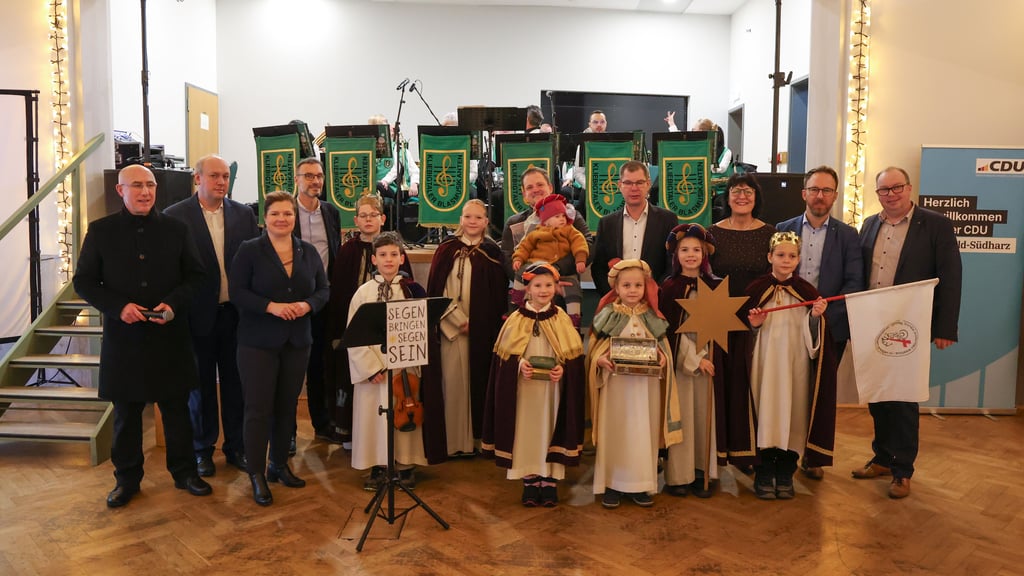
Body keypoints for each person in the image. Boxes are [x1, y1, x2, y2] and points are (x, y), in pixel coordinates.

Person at [74, 164, 212, 508]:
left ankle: (184, 473)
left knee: (177, 411)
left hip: (170, 336)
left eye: (150, 185)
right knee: (126, 416)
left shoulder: (176, 230)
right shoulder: (101, 231)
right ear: (120, 190)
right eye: (136, 185)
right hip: (125, 339)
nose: (145, 191)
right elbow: (85, 281)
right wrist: (118, 307)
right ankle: (127, 480)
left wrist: (174, 304)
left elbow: (196, 276)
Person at [852, 166, 962, 499]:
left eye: (896, 187)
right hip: (872, 323)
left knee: (902, 396)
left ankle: (903, 470)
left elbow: (951, 277)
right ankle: (883, 458)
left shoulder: (936, 225)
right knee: (878, 394)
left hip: (909, 325)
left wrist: (946, 327)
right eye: (883, 190)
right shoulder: (869, 224)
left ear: (909, 188)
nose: (891, 194)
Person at [229, 191, 329, 506]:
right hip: (257, 342)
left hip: (297, 340)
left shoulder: (308, 251)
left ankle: (279, 465)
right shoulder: (249, 250)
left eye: (287, 214)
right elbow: (237, 292)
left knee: (287, 406)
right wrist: (270, 306)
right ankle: (256, 473)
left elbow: (324, 289)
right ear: (265, 218)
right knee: (258, 409)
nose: (282, 219)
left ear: (294, 218)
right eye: (275, 214)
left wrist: (307, 305)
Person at [165, 154, 259, 478]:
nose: (221, 182)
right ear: (197, 179)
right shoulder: (175, 217)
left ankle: (236, 447)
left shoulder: (244, 215)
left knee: (236, 384)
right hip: (196, 317)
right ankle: (202, 450)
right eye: (214, 176)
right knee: (200, 386)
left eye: (225, 177)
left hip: (235, 315)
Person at [775, 165, 864, 480]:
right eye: (814, 189)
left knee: (818, 392)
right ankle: (782, 450)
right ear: (804, 193)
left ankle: (812, 457)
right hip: (786, 326)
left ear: (835, 196)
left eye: (826, 190)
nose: (820, 196)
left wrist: (822, 316)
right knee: (787, 388)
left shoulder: (848, 235)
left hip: (830, 327)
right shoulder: (783, 228)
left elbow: (854, 282)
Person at [482, 262, 586, 507]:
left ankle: (549, 480)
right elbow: (503, 359)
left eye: (548, 285)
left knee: (550, 428)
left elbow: (572, 356)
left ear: (556, 288)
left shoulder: (561, 318)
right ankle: (529, 480)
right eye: (537, 285)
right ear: (527, 289)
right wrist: (518, 366)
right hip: (525, 390)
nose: (543, 290)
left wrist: (563, 368)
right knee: (527, 431)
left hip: (552, 390)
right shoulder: (515, 319)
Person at [745, 232, 837, 500]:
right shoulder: (755, 290)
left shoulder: (807, 292)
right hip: (764, 364)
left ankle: (786, 471)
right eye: (781, 255)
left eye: (792, 256)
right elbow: (742, 333)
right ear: (769, 257)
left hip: (795, 365)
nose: (786, 261)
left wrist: (816, 318)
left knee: (793, 413)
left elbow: (815, 337)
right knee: (765, 412)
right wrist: (754, 325)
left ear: (798, 260)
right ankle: (763, 472)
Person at [587, 259, 681, 509]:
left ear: (646, 287)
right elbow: (594, 350)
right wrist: (601, 360)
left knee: (642, 431)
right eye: (626, 285)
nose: (632, 290)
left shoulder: (652, 317)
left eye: (638, 285)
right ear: (616, 288)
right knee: (615, 431)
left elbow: (664, 350)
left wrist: (662, 358)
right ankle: (612, 484)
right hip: (615, 388)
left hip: (644, 389)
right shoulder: (607, 315)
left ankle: (640, 484)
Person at [326, 194, 413, 450]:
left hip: (392, 337)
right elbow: (340, 291)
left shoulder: (395, 251)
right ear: (356, 220)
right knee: (358, 383)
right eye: (363, 215)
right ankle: (357, 437)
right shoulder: (348, 250)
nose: (368, 219)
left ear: (382, 218)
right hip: (356, 328)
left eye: (373, 215)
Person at [423, 200, 507, 460]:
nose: (472, 221)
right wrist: (457, 321)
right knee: (452, 383)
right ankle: (451, 441)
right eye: (467, 216)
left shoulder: (492, 253)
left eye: (478, 217)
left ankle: (476, 441)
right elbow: (436, 290)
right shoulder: (446, 249)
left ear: (485, 222)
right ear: (461, 219)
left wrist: (480, 324)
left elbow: (497, 297)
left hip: (481, 333)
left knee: (478, 382)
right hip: (451, 329)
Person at [348, 233, 428, 491]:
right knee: (374, 417)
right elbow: (354, 334)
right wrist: (370, 369)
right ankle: (379, 465)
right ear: (374, 259)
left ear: (402, 258)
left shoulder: (411, 290)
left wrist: (409, 360)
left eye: (394, 254)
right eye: (383, 255)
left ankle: (405, 464)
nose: (389, 259)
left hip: (404, 368)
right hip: (375, 370)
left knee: (404, 408)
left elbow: (419, 329)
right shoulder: (363, 293)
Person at [708, 172, 774, 469]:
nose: (742, 195)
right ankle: (722, 450)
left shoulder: (769, 233)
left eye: (748, 191)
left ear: (757, 197)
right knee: (723, 385)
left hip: (758, 321)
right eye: (736, 190)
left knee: (752, 384)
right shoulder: (713, 233)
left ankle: (751, 451)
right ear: (728, 197)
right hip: (719, 320)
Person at [659, 224, 725, 498]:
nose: (690, 255)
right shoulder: (670, 288)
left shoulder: (715, 286)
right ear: (676, 255)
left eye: (696, 250)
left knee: (704, 416)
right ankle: (679, 475)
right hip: (684, 367)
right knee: (683, 416)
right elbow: (671, 331)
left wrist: (708, 358)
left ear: (704, 254)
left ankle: (703, 472)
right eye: (684, 250)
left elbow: (720, 325)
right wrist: (695, 360)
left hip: (709, 363)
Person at [292, 157, 343, 447]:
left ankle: (322, 424)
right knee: (290, 367)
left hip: (322, 301)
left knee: (320, 364)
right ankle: (287, 433)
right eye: (309, 176)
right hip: (293, 303)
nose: (315, 181)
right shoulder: (286, 212)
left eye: (319, 176)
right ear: (297, 179)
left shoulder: (330, 212)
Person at [500, 167, 592, 319]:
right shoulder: (514, 222)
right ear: (524, 194)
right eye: (529, 187)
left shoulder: (570, 216)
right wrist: (536, 282)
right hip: (527, 300)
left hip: (563, 295)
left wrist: (555, 271)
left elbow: (587, 244)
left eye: (540, 185)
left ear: (550, 187)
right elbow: (508, 258)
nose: (535, 190)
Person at [591, 160, 679, 294]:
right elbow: (598, 268)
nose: (634, 188)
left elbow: (672, 263)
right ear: (620, 185)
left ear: (648, 184)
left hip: (657, 299)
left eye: (639, 182)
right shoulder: (607, 223)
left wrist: (656, 292)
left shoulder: (667, 219)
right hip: (618, 300)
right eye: (628, 183)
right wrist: (614, 295)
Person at [511, 194, 589, 318]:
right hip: (536, 266)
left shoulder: (570, 230)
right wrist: (518, 259)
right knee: (521, 271)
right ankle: (516, 301)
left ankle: (574, 317)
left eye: (563, 215)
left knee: (573, 288)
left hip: (563, 273)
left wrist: (580, 259)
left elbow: (580, 243)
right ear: (546, 221)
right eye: (557, 216)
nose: (562, 219)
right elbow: (524, 247)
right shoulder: (536, 232)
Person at [369, 114, 420, 199]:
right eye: (384, 126)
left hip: (390, 187)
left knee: (378, 186)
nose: (390, 127)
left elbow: (400, 169)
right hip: (372, 185)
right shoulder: (370, 150)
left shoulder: (399, 150)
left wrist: (414, 183)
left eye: (387, 124)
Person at [665, 115, 732, 174]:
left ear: (701, 133)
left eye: (693, 130)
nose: (691, 133)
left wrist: (706, 165)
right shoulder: (696, 147)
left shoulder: (726, 152)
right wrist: (672, 124)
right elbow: (680, 142)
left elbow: (721, 169)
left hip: (717, 187)